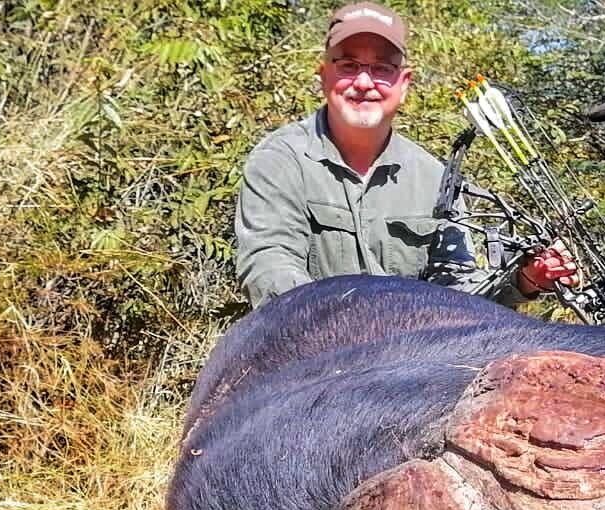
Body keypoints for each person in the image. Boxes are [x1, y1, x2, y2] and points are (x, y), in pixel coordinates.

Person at [234, 1, 577, 309]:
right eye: (349, 65)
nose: (364, 82)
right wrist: (339, 324)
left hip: (408, 357)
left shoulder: (435, 178)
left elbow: (455, 289)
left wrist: (525, 279)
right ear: (324, 75)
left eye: (382, 68)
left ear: (404, 83)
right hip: (313, 350)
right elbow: (269, 266)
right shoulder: (280, 160)